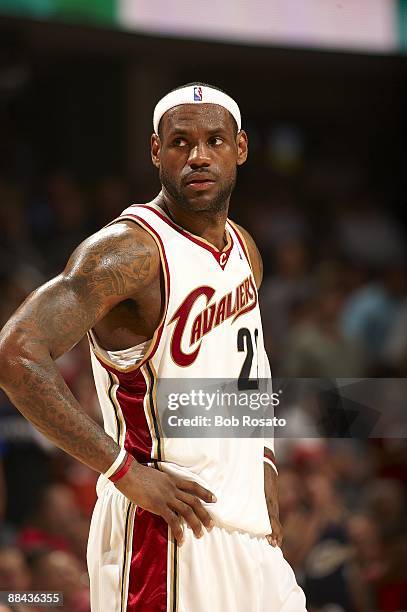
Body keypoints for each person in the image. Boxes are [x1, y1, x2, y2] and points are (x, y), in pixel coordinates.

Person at [0, 82, 306, 611]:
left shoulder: (243, 247)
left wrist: (265, 459)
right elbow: (16, 354)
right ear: (154, 151)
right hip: (166, 534)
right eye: (180, 142)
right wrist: (124, 472)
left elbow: (244, 365)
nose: (198, 156)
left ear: (241, 149)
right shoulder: (127, 251)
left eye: (214, 140)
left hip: (251, 536)